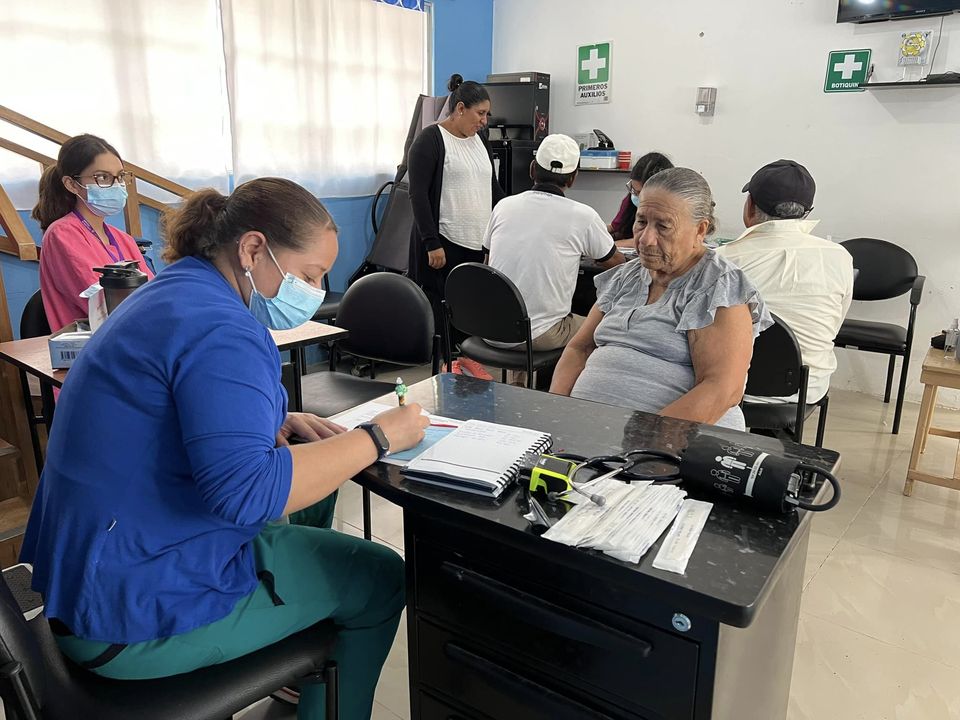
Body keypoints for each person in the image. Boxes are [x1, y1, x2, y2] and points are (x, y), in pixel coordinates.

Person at [20, 177, 429, 720]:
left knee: (313, 491)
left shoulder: (172, 291)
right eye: (310, 275)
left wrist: (273, 417)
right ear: (253, 249)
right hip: (127, 617)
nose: (315, 290)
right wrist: (378, 437)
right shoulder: (223, 328)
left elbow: (168, 407)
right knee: (380, 577)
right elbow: (247, 494)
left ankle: (293, 645)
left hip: (75, 583)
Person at [551, 168, 771, 430]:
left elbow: (722, 390)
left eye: (663, 227)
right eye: (641, 222)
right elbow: (580, 348)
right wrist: (555, 415)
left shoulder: (718, 286)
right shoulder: (627, 276)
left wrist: (642, 441)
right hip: (588, 431)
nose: (645, 239)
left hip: (668, 440)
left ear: (700, 230)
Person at [483, 134, 625, 384]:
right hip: (540, 335)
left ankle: (519, 385)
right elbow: (616, 263)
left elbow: (487, 262)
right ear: (573, 178)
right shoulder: (583, 216)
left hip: (489, 328)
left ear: (532, 169)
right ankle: (568, 396)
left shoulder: (503, 206)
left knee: (529, 311)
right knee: (608, 327)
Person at [717, 160, 854, 404]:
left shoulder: (722, 260)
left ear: (750, 207)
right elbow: (833, 326)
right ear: (807, 213)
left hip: (730, 388)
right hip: (806, 389)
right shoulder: (839, 257)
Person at [408, 73, 505, 368]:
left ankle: (466, 370)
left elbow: (493, 188)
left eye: (487, 114)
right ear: (460, 108)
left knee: (470, 314)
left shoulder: (481, 141)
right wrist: (431, 242)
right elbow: (418, 195)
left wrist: (513, 211)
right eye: (480, 113)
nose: (484, 121)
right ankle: (443, 370)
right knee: (443, 317)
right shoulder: (430, 140)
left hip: (476, 243)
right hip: (443, 245)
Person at [32, 134, 154, 331]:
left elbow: (154, 293)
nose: (116, 185)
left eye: (120, 177)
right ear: (72, 184)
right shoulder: (62, 234)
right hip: (95, 343)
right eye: (103, 177)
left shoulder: (123, 239)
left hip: (135, 333)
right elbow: (103, 306)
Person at [608, 152, 673, 246]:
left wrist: (613, 246)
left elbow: (654, 238)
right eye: (634, 191)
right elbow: (616, 227)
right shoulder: (630, 200)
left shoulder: (671, 208)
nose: (636, 196)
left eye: (640, 192)